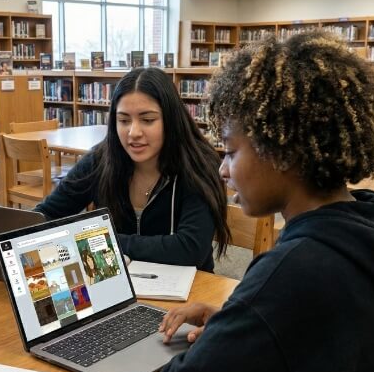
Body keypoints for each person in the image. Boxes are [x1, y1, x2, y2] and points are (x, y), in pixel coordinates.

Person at [154, 31, 374, 372]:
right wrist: (238, 322)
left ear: (283, 151)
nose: (223, 171)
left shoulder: (294, 271)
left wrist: (231, 333)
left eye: (229, 151)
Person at [34, 67, 230, 271]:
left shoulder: (199, 163)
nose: (133, 132)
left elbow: (190, 249)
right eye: (124, 120)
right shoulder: (101, 159)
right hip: (117, 287)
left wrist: (100, 241)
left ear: (171, 120)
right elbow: (46, 215)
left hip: (191, 290)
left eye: (147, 120)